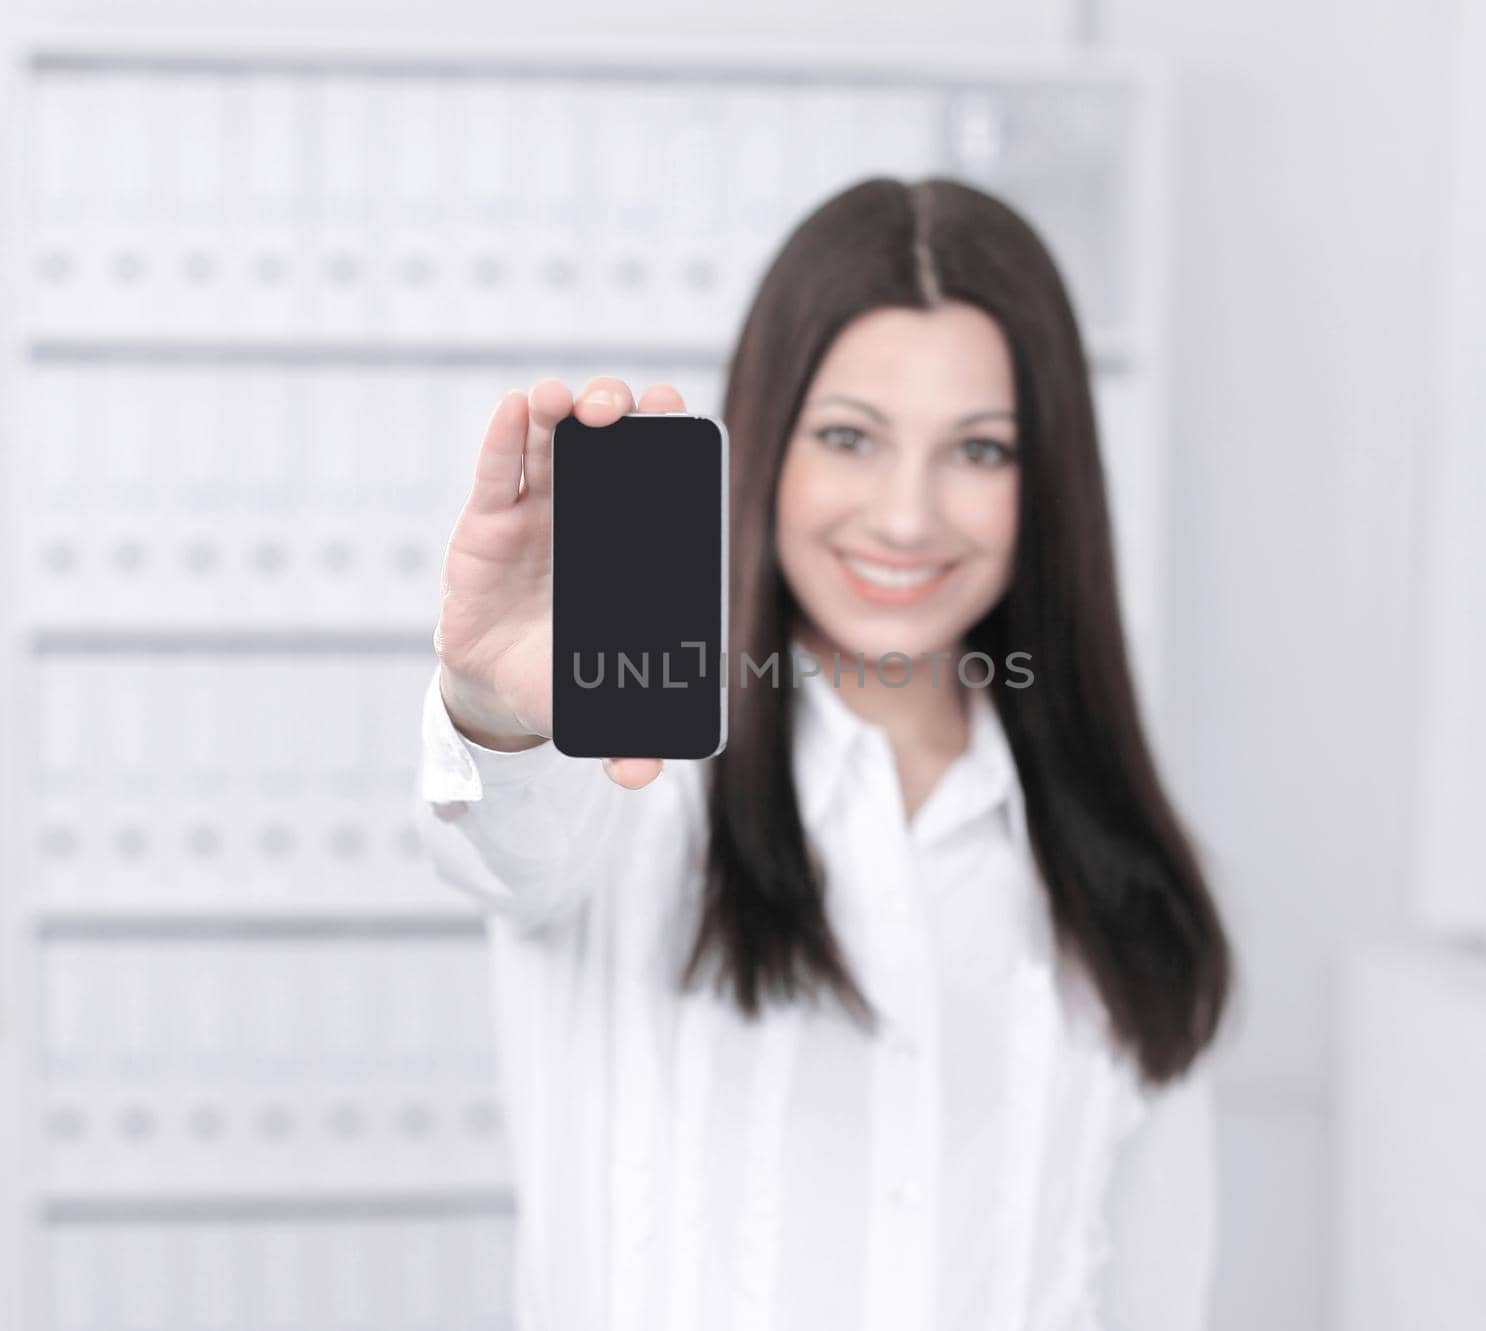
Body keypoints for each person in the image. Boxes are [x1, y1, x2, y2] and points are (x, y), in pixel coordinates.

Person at [414, 177, 1234, 1331]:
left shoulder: (1121, 875)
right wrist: (494, 705)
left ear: (1044, 482)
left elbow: (1154, 1294)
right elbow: (498, 841)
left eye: (980, 451)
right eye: (849, 436)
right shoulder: (639, 768)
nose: (906, 517)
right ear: (766, 441)